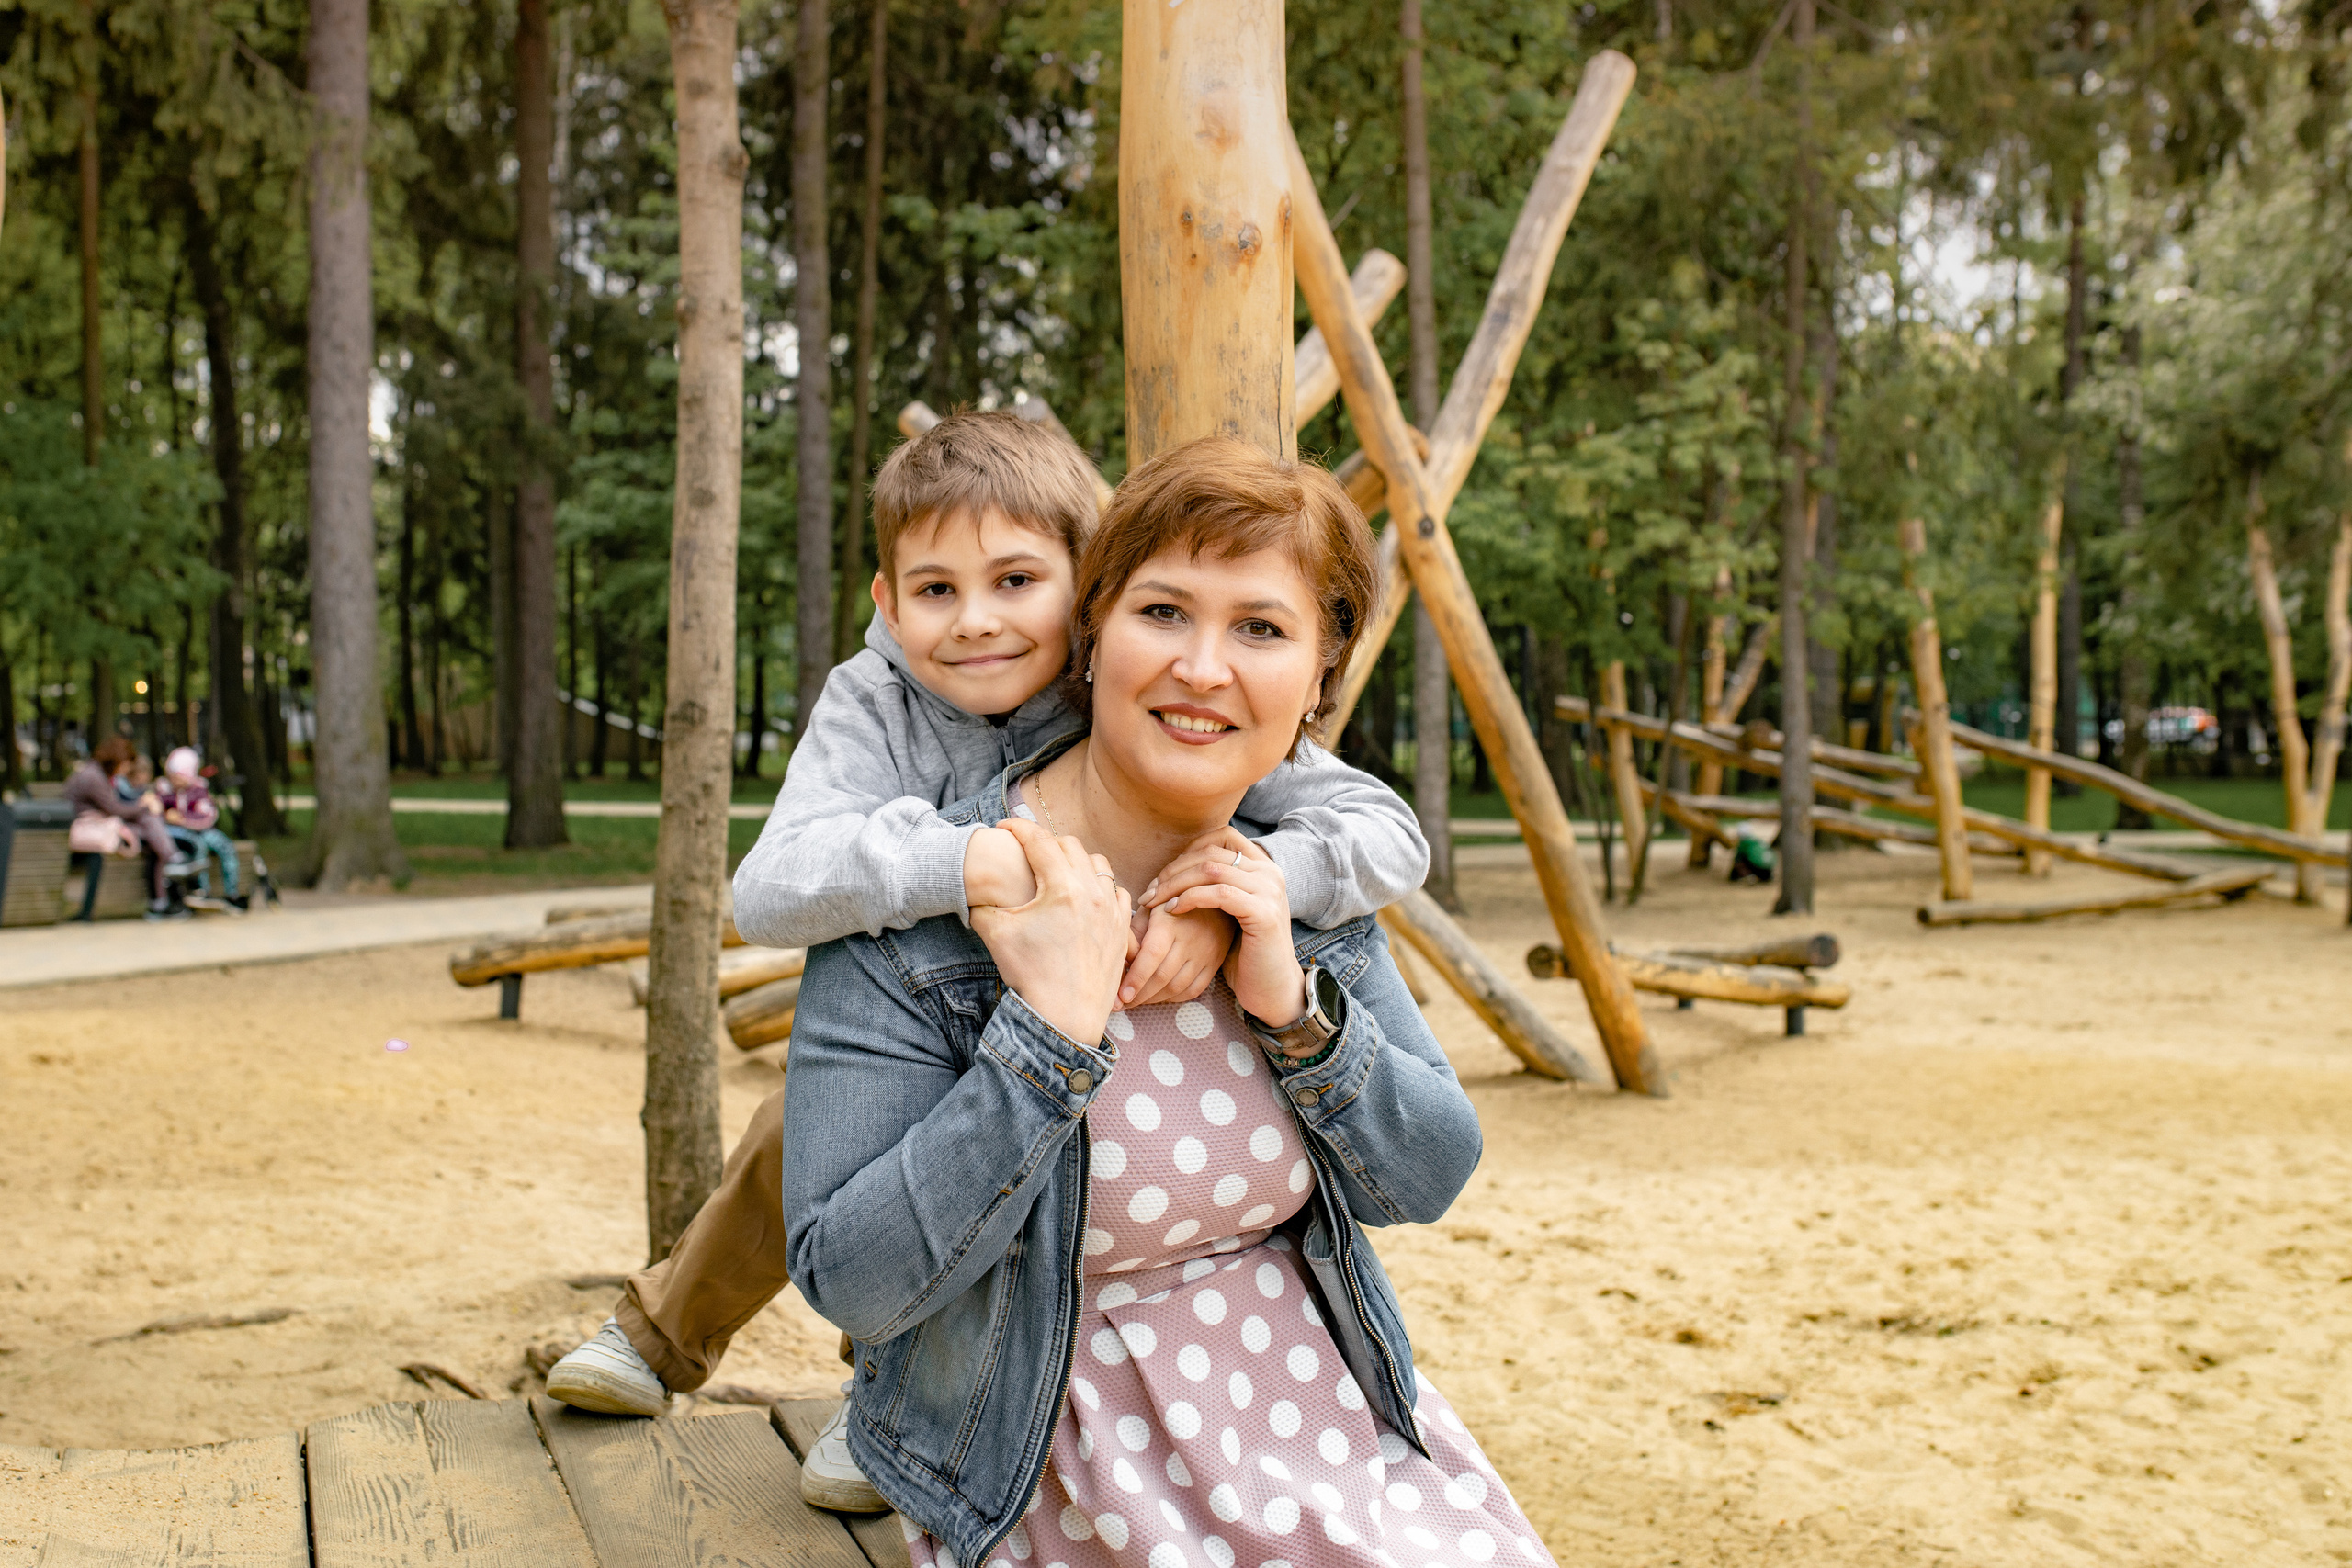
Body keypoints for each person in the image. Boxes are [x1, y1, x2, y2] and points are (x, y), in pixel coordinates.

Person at [544, 412, 1429, 1514]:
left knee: (997, 1162)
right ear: (888, 602)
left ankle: (895, 1385)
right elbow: (769, 886)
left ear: (1085, 589)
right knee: (825, 1139)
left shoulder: (1145, 688)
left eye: (1016, 581)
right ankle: (676, 1336)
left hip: (1080, 1014)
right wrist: (973, 858)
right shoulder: (878, 702)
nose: (976, 622)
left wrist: (1240, 888)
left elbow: (1382, 831)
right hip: (918, 987)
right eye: (936, 590)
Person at [780, 437, 1551, 1568]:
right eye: (1162, 612)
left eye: (1261, 629)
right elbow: (854, 1285)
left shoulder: (1293, 875)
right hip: (1041, 1458)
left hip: (1330, 1426)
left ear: (1319, 676)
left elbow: (1425, 1177)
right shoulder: (921, 898)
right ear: (1092, 635)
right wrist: (1044, 1042)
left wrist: (1292, 1008)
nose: (1202, 667)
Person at [65, 735, 189, 919]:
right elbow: (114, 809)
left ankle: (161, 898)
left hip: (100, 826)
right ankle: (174, 862)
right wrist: (144, 806)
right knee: (150, 824)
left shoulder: (98, 773)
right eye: (125, 764)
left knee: (152, 834)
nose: (125, 770)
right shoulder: (93, 777)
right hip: (91, 830)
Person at [157, 747, 245, 909]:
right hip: (181, 834)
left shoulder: (199, 790)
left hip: (202, 830)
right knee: (198, 847)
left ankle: (232, 893)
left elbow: (207, 816)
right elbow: (156, 813)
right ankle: (202, 891)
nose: (174, 781)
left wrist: (183, 819)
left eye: (177, 777)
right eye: (171, 777)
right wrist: (167, 816)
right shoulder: (165, 791)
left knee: (225, 846)